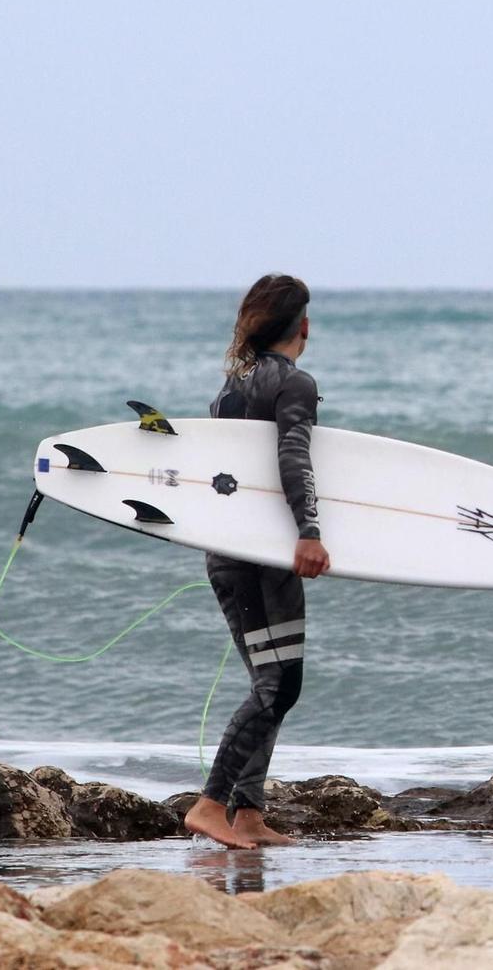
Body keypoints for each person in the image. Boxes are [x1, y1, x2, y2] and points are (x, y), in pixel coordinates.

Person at [182, 273, 331, 849]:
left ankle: (248, 814)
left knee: (268, 683)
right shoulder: (294, 383)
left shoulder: (231, 386)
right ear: (304, 326)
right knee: (279, 684)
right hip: (262, 558)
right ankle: (211, 804)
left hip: (227, 551)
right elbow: (293, 456)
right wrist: (309, 532)